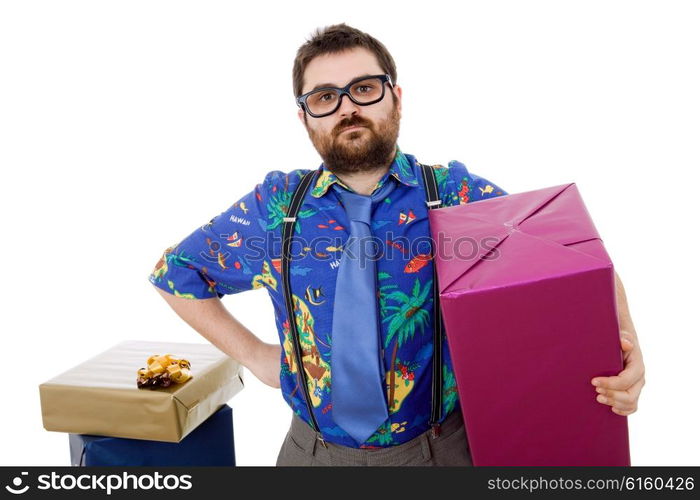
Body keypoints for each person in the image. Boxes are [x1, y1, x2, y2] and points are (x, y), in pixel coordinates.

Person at [148, 23, 645, 466]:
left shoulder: (452, 194)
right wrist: (255, 355)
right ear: (305, 118)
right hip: (310, 455)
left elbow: (571, 257)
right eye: (324, 97)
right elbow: (176, 272)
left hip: (441, 451)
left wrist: (627, 347)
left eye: (364, 88)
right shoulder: (275, 206)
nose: (347, 107)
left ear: (396, 98)